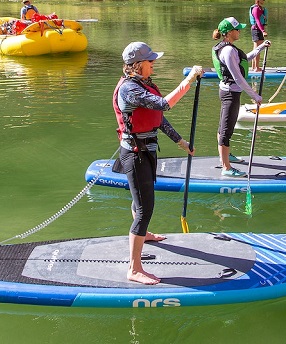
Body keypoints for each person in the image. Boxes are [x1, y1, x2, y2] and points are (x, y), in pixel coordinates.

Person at [113, 42, 202, 285]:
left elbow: (158, 118)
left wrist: (180, 141)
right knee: (144, 209)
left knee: (138, 201)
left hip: (147, 151)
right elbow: (165, 104)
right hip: (135, 154)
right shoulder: (130, 90)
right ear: (138, 65)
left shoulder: (144, 85)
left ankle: (145, 234)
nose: (154, 63)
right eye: (150, 61)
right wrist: (189, 80)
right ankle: (134, 268)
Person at [212, 17, 269, 177]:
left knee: (224, 125)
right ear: (229, 33)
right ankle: (226, 168)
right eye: (237, 29)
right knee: (226, 130)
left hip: (230, 92)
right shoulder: (228, 50)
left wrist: (261, 47)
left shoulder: (228, 48)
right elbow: (238, 78)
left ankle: (226, 156)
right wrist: (255, 96)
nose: (240, 31)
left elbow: (244, 59)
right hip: (230, 93)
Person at [249, 0, 269, 72]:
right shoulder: (256, 9)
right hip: (257, 30)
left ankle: (255, 66)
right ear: (258, 0)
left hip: (259, 29)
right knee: (257, 48)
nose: (264, 1)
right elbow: (257, 21)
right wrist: (263, 31)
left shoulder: (260, 8)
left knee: (257, 48)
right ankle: (256, 67)